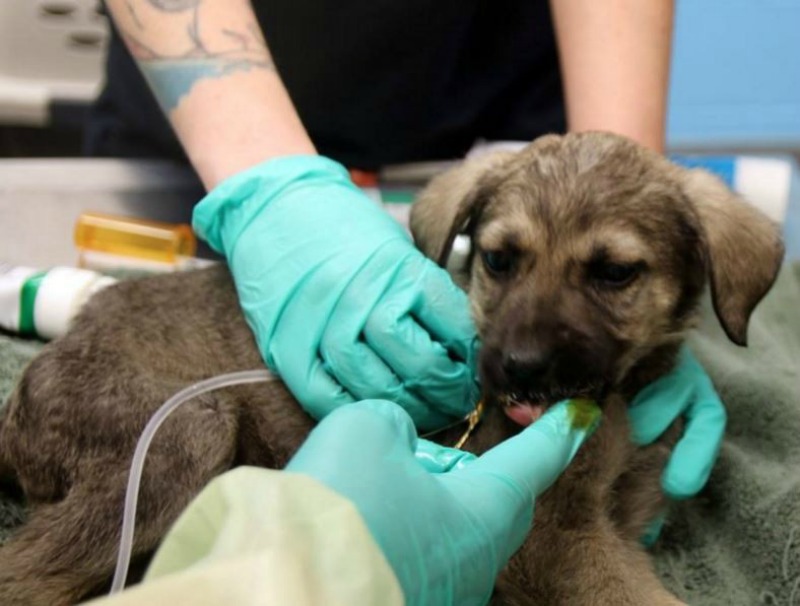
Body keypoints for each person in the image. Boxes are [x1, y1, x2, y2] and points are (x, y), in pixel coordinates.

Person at [87, 1, 726, 601]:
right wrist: (269, 188)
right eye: (501, 262)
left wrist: (629, 176)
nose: (528, 346)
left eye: (611, 273)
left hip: (486, 92)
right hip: (204, 120)